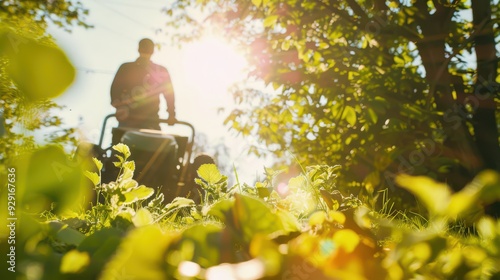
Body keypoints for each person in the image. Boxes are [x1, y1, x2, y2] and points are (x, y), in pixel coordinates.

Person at [110, 38, 176, 143]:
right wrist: (171, 114)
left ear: (138, 49)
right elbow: (169, 94)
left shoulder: (126, 68)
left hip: (145, 120)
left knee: (120, 152)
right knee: (156, 152)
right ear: (153, 51)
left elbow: (115, 91)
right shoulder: (160, 70)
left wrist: (171, 114)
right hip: (132, 120)